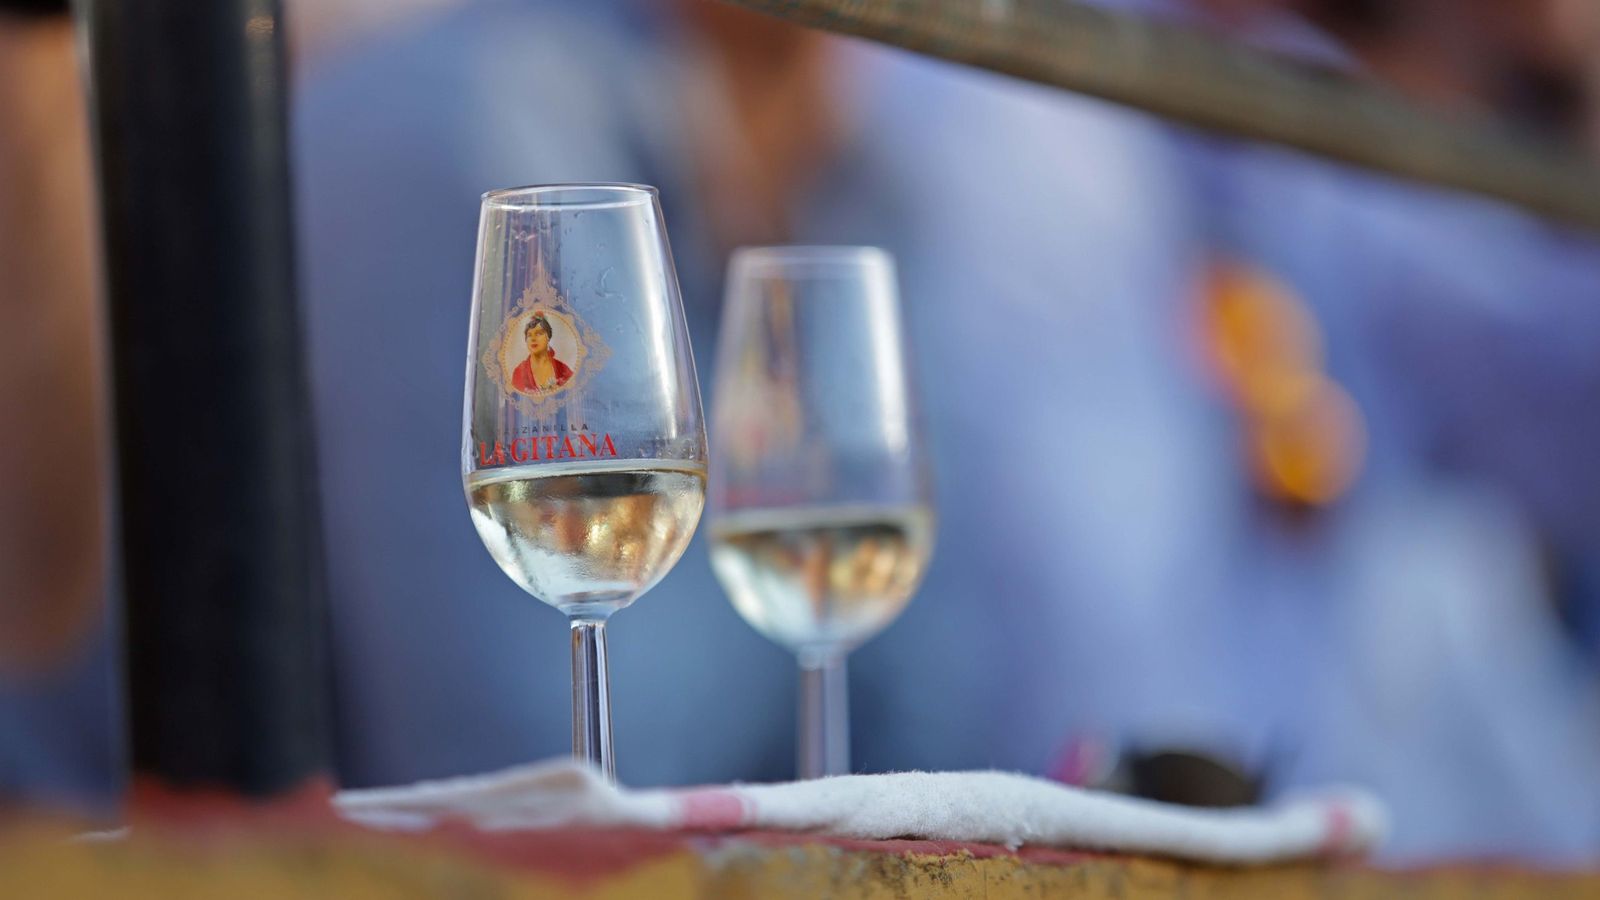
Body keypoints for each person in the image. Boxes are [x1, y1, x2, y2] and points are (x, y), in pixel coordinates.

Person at [511, 313, 572, 395]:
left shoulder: (562, 369)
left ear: (548, 337)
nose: (533, 338)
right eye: (529, 335)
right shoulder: (519, 372)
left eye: (539, 333)